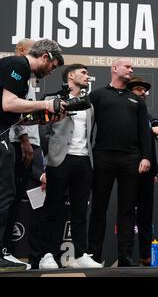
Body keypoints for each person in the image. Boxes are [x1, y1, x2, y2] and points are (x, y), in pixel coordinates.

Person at [0, 39, 64, 271]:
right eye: (53, 66)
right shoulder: (18, 65)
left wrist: (44, 116)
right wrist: (45, 104)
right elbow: (8, 104)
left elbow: (15, 116)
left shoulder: (22, 74)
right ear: (45, 56)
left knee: (5, 194)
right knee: (4, 195)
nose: (51, 71)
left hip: (3, 134)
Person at [88, 58, 152, 267]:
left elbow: (145, 132)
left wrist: (146, 157)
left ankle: (125, 256)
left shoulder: (137, 101)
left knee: (126, 210)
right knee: (98, 207)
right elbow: (86, 126)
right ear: (115, 69)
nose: (132, 70)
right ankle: (93, 256)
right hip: (103, 157)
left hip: (130, 160)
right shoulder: (97, 95)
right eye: (128, 67)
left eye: (133, 67)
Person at [38, 64, 101, 269]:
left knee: (80, 211)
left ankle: (81, 254)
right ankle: (47, 254)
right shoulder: (52, 99)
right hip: (59, 160)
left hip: (84, 161)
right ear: (71, 75)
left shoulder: (89, 104)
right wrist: (48, 160)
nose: (87, 76)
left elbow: (91, 134)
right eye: (83, 73)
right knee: (52, 209)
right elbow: (43, 133)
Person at [127, 76, 158, 266]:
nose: (142, 92)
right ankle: (127, 255)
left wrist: (154, 171)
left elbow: (154, 141)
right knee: (127, 214)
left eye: (143, 90)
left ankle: (146, 256)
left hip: (148, 173)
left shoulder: (148, 116)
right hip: (129, 170)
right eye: (137, 89)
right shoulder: (124, 114)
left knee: (146, 216)